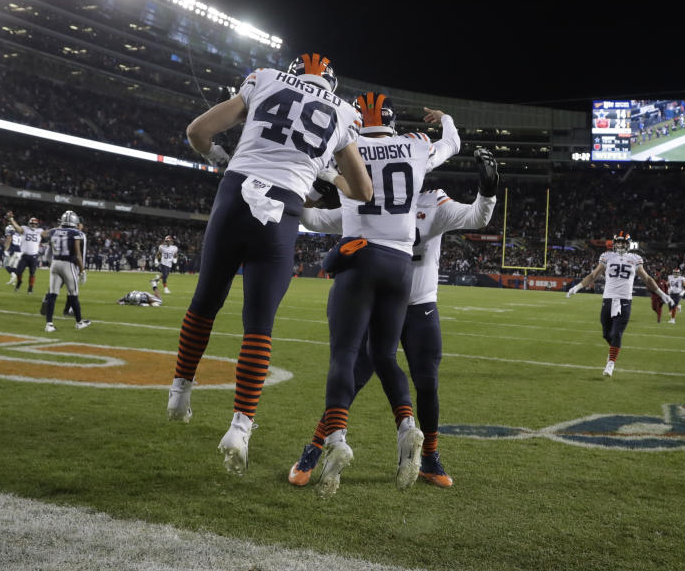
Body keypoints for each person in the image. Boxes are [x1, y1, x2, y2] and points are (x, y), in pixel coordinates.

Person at [164, 54, 373, 477]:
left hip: (235, 194)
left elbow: (196, 132)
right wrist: (326, 174)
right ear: (330, 84)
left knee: (205, 301)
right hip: (282, 210)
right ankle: (239, 428)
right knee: (258, 325)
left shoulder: (265, 78)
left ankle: (179, 391)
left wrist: (223, 157)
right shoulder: (343, 111)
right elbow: (363, 191)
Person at [288, 145, 497, 490]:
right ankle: (313, 448)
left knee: (427, 383)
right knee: (351, 380)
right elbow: (313, 221)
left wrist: (487, 190)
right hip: (380, 304)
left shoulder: (433, 203)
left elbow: (478, 217)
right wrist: (309, 194)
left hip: (418, 305)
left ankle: (429, 456)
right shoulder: (369, 200)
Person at [311, 92, 461, 498]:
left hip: (359, 255)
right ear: (392, 120)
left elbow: (321, 171)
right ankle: (408, 427)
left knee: (345, 354)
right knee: (384, 356)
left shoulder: (347, 143)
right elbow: (452, 143)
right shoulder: (414, 144)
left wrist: (327, 177)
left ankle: (337, 438)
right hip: (399, 266)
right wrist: (445, 117)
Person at [566, 231, 672, 377]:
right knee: (606, 334)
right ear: (614, 243)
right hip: (608, 299)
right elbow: (593, 275)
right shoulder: (607, 256)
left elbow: (647, 279)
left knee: (617, 333)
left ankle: (610, 363)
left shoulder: (635, 259)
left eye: (623, 242)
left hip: (624, 300)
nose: (620, 244)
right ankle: (613, 352)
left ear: (628, 244)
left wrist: (662, 294)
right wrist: (577, 287)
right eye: (618, 242)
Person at [40, 210, 90, 332]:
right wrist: (82, 270)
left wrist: (59, 228)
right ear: (74, 221)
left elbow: (43, 234)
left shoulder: (53, 231)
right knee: (73, 294)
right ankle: (79, 322)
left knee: (52, 294)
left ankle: (49, 324)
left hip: (55, 263)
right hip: (68, 265)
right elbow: (78, 253)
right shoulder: (76, 232)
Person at [7, 212, 45, 293]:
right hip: (24, 255)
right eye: (32, 223)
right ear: (29, 223)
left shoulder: (40, 231)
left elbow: (48, 233)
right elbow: (17, 227)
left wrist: (60, 227)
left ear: (37, 224)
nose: (33, 225)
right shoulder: (24, 229)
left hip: (34, 256)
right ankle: (19, 282)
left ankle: (30, 288)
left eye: (35, 224)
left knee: (32, 273)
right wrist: (11, 219)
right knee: (19, 272)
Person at [3, 222, 22, 286]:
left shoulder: (10, 232)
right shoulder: (18, 234)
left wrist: (6, 250)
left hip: (13, 250)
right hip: (19, 251)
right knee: (14, 267)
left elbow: (9, 240)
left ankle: (13, 276)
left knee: (6, 265)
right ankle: (13, 281)